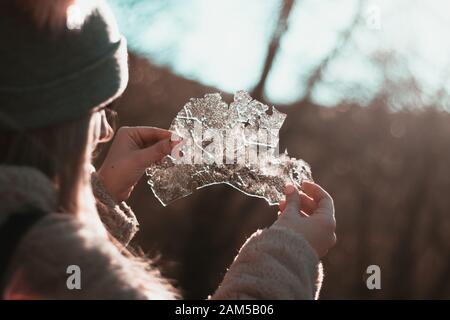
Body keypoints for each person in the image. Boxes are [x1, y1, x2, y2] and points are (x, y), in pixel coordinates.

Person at [0, 0, 336, 299]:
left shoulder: (28, 247)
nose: (105, 133)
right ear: (56, 118)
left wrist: (100, 200)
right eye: (100, 109)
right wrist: (289, 254)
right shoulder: (40, 261)